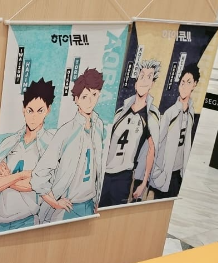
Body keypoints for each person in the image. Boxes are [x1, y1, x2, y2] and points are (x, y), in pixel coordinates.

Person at [31, 68, 105, 223]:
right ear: (76, 99)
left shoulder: (98, 125)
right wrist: (54, 202)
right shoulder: (66, 132)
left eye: (94, 95)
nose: (90, 101)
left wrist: (97, 200)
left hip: (90, 204)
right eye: (84, 96)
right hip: (68, 207)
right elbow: (39, 174)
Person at [0, 78, 55, 232]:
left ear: (48, 110)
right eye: (30, 110)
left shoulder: (50, 144)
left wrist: (7, 178)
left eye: (40, 111)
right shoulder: (9, 142)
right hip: (0, 222)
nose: (34, 117)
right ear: (23, 109)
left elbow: (35, 185)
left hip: (28, 221)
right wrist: (22, 175)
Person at [100, 59, 161, 207]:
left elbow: (152, 150)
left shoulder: (151, 115)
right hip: (105, 173)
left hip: (124, 177)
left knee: (115, 215)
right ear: (136, 81)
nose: (144, 80)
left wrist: (143, 183)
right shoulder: (121, 111)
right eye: (142, 76)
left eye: (149, 77)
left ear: (152, 83)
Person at [150, 63, 200, 199]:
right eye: (182, 82)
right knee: (158, 205)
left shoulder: (191, 112)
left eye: (189, 82)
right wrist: (155, 172)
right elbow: (157, 143)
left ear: (195, 84)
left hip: (178, 172)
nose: (184, 86)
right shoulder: (170, 113)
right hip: (165, 172)